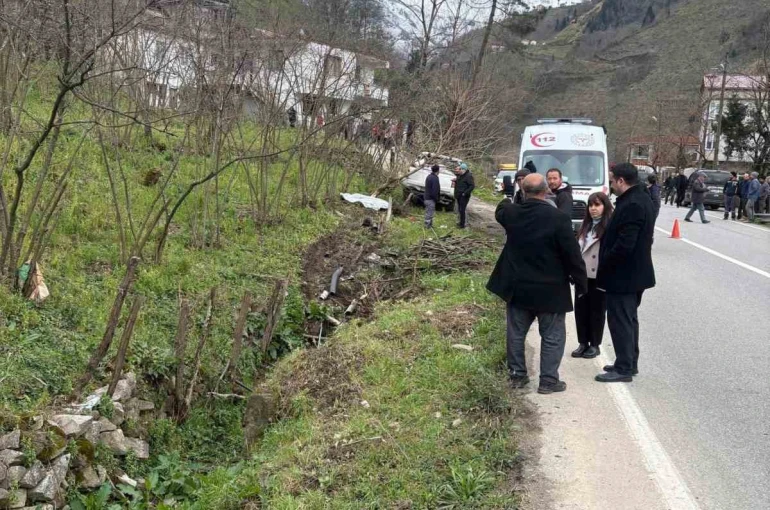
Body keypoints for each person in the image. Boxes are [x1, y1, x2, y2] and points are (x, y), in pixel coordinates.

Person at [486, 173, 587, 394]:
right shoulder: (559, 218)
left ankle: (517, 376)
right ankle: (548, 381)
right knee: (552, 336)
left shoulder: (511, 214)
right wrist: (581, 283)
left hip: (518, 287)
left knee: (516, 333)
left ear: (523, 190)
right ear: (546, 191)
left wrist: (509, 196)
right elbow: (572, 255)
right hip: (551, 289)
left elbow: (501, 208)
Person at [595, 163, 655, 383]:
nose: (611, 185)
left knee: (620, 321)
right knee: (628, 320)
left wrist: (606, 262)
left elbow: (625, 244)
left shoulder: (633, 204)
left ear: (621, 181)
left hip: (624, 274)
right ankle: (628, 361)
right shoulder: (639, 198)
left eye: (612, 181)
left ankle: (624, 368)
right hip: (633, 273)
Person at [572, 192, 613, 360]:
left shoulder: (609, 227)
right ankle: (582, 342)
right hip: (582, 275)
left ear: (605, 206)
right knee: (580, 310)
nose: (593, 209)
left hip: (599, 276)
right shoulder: (585, 226)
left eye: (597, 205)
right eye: (590, 205)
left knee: (597, 311)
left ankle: (595, 344)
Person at [453, 162, 475, 229]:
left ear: (464, 169)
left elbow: (472, 186)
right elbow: (460, 183)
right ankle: (460, 222)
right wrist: (455, 181)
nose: (459, 170)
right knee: (459, 210)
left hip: (464, 196)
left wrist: (465, 193)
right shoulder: (460, 175)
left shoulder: (469, 176)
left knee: (462, 210)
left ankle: (462, 225)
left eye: (460, 169)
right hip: (458, 195)